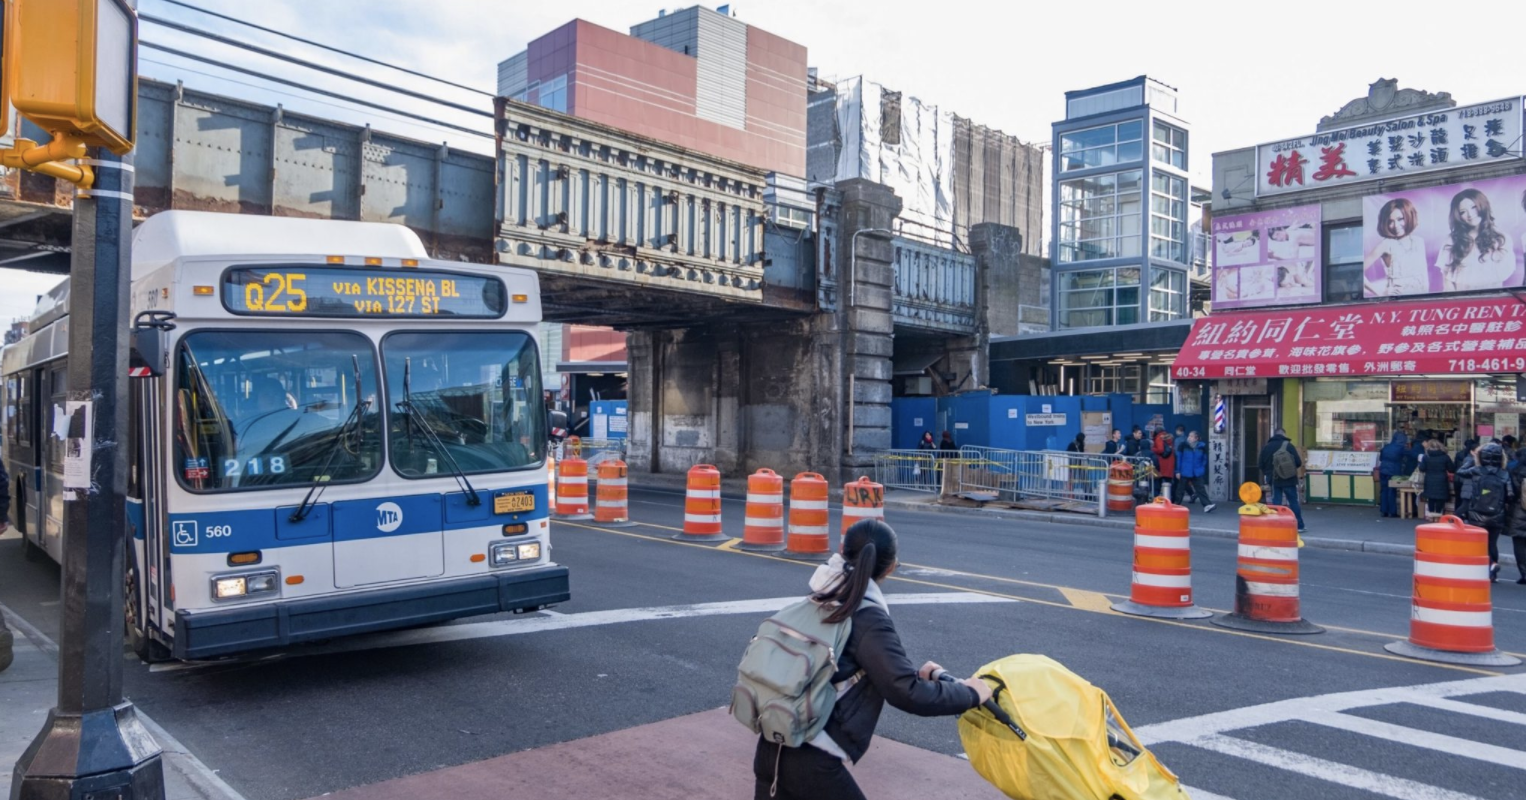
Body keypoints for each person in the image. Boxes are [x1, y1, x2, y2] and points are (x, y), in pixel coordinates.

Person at [753, 520, 990, 799]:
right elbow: (906, 693)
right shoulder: (866, 616)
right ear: (890, 567)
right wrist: (971, 694)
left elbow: (848, 668)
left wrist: (917, 676)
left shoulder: (820, 597)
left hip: (772, 748)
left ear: (842, 553)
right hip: (812, 762)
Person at [1437, 188, 1514, 292]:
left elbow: (1502, 275)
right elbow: (1447, 281)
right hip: (1462, 301)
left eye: (1474, 207)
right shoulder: (1451, 240)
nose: (1470, 214)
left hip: (1492, 301)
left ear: (1483, 206)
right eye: (1463, 212)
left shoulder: (1500, 239)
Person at [1457, 442, 1512, 582]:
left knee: (1481, 543)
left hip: (1477, 512)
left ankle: (1489, 565)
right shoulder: (1504, 474)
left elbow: (1460, 472)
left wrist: (1475, 460)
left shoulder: (1476, 470)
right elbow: (1511, 495)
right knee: (1492, 543)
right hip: (1497, 513)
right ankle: (1493, 572)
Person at [1364, 197, 1429, 297]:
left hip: (1421, 300)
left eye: (1400, 219)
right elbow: (1358, 272)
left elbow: (1423, 275)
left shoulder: (1418, 241)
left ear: (1409, 217)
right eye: (1390, 221)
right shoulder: (1386, 244)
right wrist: (1380, 292)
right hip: (1397, 302)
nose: (1396, 225)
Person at [1258, 428, 1306, 532]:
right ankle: (1299, 526)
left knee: (1276, 503)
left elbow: (1260, 464)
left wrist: (1269, 473)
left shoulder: (1267, 447)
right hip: (1289, 478)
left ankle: (1277, 525)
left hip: (1274, 480)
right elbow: (1298, 462)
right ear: (1284, 434)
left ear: (1274, 435)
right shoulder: (1288, 445)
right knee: (1293, 501)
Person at [1175, 431, 1215, 513]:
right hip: (1185, 470)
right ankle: (1176, 505)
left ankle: (1207, 505)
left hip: (1197, 471)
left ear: (1196, 438)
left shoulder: (1202, 447)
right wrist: (1177, 471)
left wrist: (1201, 468)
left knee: (1201, 489)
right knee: (1180, 489)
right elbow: (1178, 459)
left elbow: (1204, 459)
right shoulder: (1183, 445)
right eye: (1189, 436)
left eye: (1191, 436)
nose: (1189, 437)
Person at [1417, 439, 1454, 520]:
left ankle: (1431, 515)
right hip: (1442, 479)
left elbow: (1422, 469)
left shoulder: (1426, 457)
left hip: (1429, 479)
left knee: (1431, 498)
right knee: (1440, 498)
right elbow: (1451, 469)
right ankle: (1438, 515)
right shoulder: (1445, 457)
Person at [1378, 430, 1411, 518]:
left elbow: (1381, 458)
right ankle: (1392, 512)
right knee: (1391, 491)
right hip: (1393, 471)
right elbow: (1410, 456)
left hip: (1383, 470)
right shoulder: (1401, 448)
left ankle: (1384, 511)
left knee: (1384, 490)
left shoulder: (1386, 447)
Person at [1505, 446, 1526, 584]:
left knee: (1519, 543)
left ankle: (1524, 573)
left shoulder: (1515, 470)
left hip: (1519, 510)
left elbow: (1511, 493)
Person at [1152, 433, 1177, 501]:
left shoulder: (1160, 439)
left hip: (1162, 465)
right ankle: (1171, 499)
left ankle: (1157, 498)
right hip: (1170, 465)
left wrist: (1153, 449)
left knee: (1158, 483)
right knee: (1169, 483)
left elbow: (1160, 450)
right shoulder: (1171, 443)